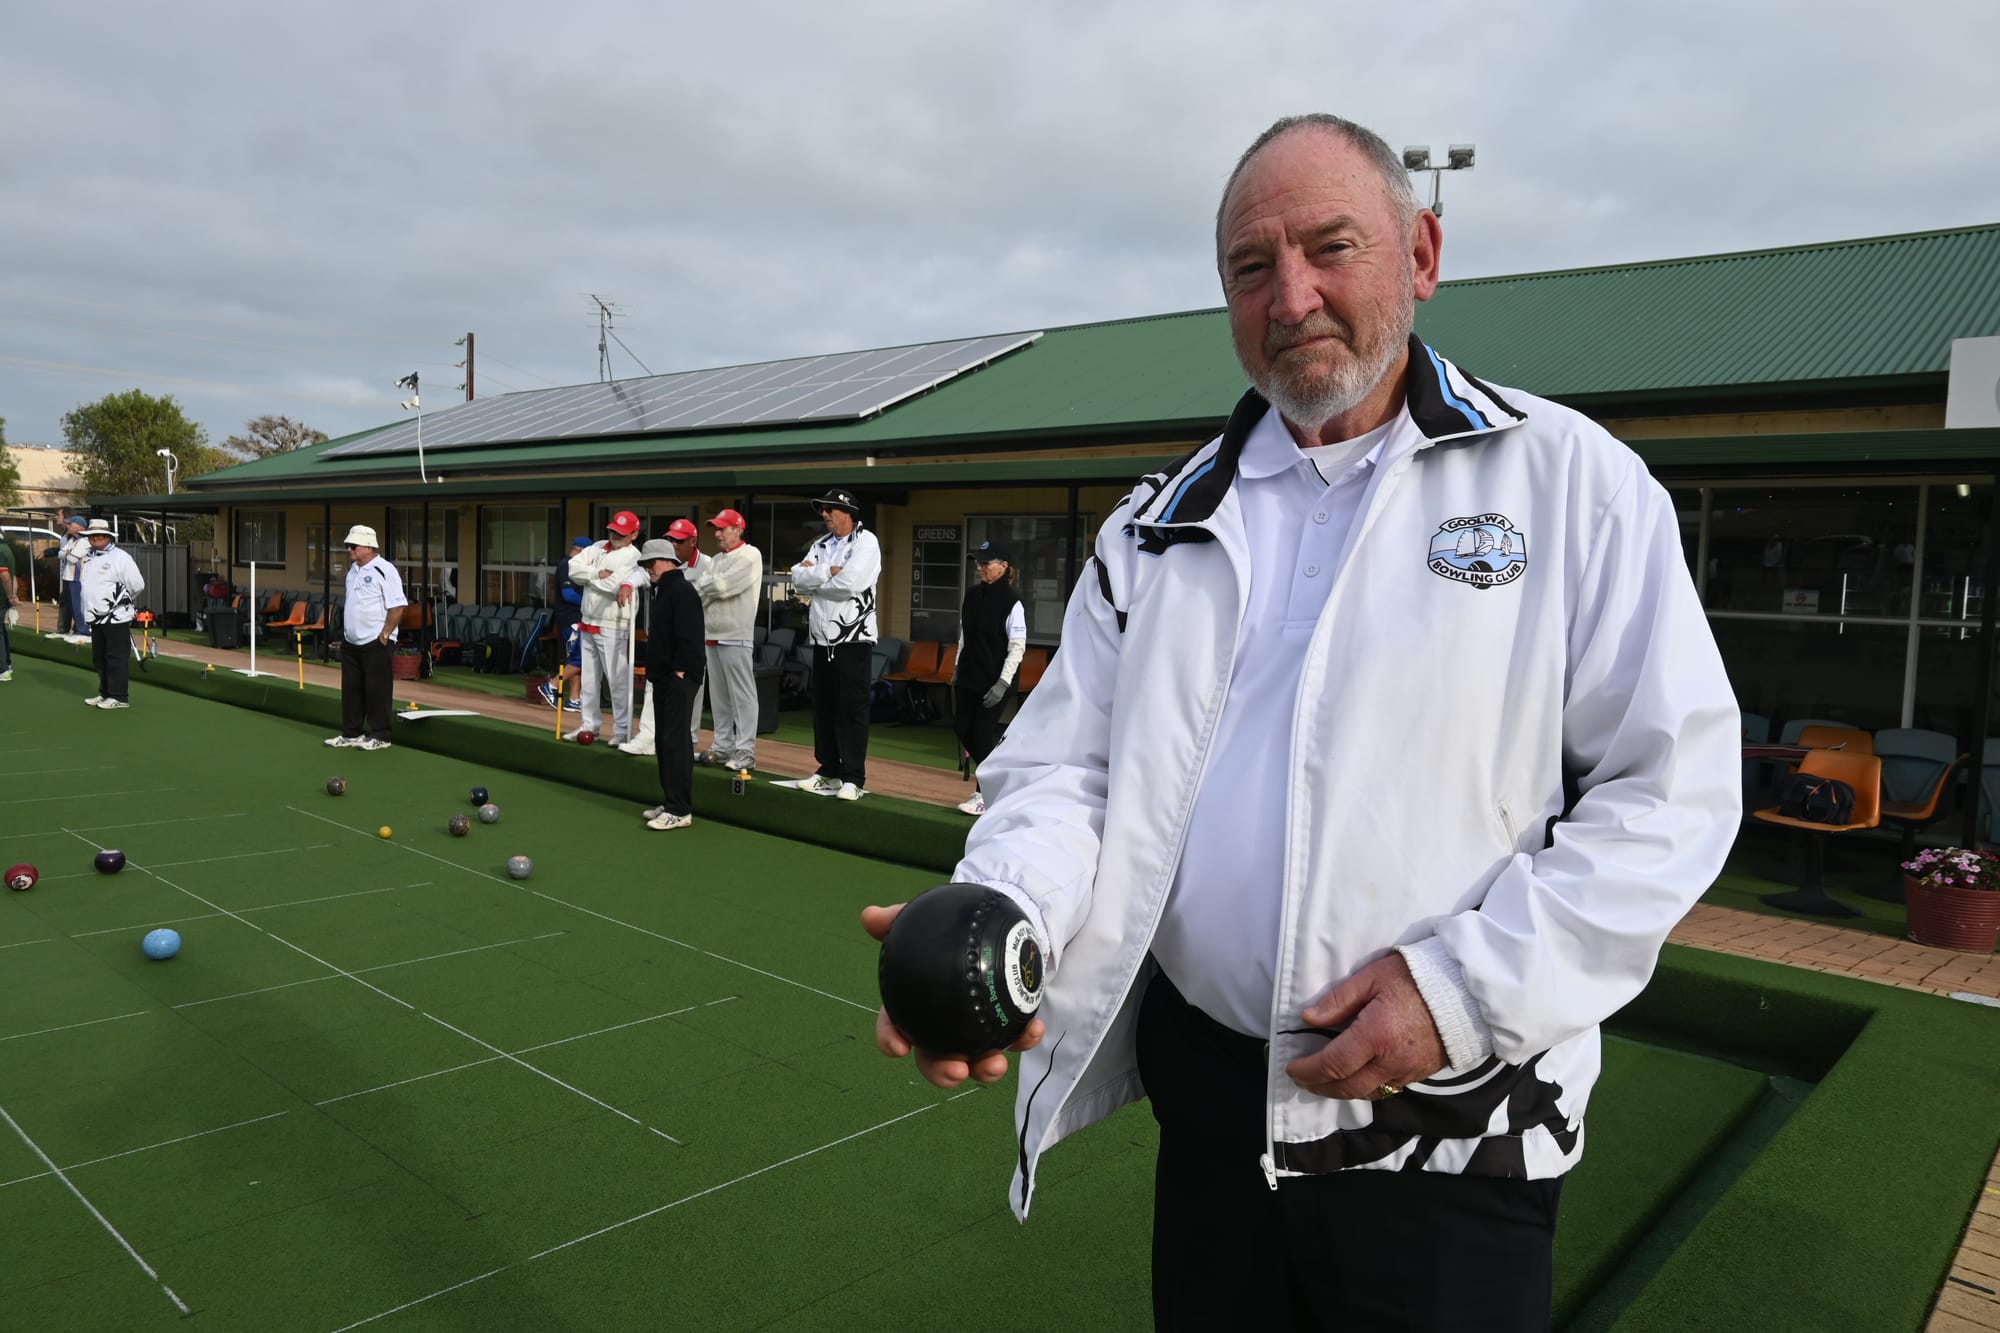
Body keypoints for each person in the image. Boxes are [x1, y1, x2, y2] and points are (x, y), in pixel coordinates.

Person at [863, 114, 1740, 1331]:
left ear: (1421, 254)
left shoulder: (1569, 483)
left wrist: (1457, 994)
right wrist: (1005, 906)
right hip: (1214, 1108)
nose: (1292, 296)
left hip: (1458, 1117)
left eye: (1331, 247)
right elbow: (1068, 771)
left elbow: (1668, 791)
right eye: (1249, 267)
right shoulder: (1154, 527)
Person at [778, 488, 881, 800]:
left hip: (854, 639)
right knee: (823, 707)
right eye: (822, 510)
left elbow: (851, 585)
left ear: (848, 513)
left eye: (829, 510)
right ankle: (828, 770)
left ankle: (853, 777)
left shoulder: (867, 542)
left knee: (852, 708)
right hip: (822, 639)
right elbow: (797, 578)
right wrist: (828, 572)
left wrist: (818, 580)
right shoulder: (821, 545)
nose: (824, 515)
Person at [950, 538, 1027, 816]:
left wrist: (1003, 683)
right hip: (969, 675)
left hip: (995, 680)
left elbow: (1017, 646)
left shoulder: (1012, 601)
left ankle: (986, 792)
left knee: (981, 733)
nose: (980, 568)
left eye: (986, 563)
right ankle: (999, 779)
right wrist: (957, 668)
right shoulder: (972, 595)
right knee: (961, 727)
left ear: (1004, 567)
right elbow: (964, 635)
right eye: (978, 563)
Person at [616, 518, 703, 758]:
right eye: (671, 539)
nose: (673, 544)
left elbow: (711, 589)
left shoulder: (699, 570)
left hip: (693, 648)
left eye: (678, 540)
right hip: (668, 656)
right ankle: (647, 738)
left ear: (692, 542)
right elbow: (640, 576)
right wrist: (626, 583)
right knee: (662, 704)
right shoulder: (661, 576)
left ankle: (695, 745)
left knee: (683, 716)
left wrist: (681, 667)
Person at [635, 539, 704, 831]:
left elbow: (689, 635)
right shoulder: (664, 590)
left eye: (650, 564)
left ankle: (680, 808)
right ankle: (671, 800)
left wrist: (679, 670)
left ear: (665, 561)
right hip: (664, 677)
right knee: (666, 740)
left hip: (678, 678)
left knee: (675, 741)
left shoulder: (682, 590)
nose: (648, 569)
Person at [691, 508, 764, 772]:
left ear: (738, 529)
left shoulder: (750, 554)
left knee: (742, 696)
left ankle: (745, 750)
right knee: (719, 697)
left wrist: (711, 586)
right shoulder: (716, 561)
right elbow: (703, 591)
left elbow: (721, 588)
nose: (718, 533)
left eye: (723, 528)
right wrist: (712, 586)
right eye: (716, 529)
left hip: (736, 634)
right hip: (712, 634)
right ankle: (723, 746)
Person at [325, 524, 407, 750]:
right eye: (347, 546)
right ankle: (351, 734)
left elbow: (398, 606)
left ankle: (381, 736)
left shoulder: (385, 569)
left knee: (377, 689)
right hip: (351, 642)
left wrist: (385, 635)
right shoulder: (353, 570)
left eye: (353, 546)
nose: (349, 550)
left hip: (376, 641)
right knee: (351, 689)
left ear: (369, 547)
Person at [566, 511, 642, 743]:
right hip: (588, 621)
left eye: (620, 533)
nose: (614, 535)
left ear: (634, 534)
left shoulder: (634, 555)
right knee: (589, 681)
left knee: (617, 681)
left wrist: (589, 577)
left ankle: (622, 731)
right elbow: (572, 568)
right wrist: (596, 573)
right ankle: (589, 726)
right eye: (612, 531)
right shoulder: (598, 546)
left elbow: (614, 585)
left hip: (614, 624)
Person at [77, 518, 145, 709]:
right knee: (99, 657)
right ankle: (105, 692)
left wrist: (121, 602)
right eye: (91, 536)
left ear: (108, 537)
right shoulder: (90, 557)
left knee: (116, 657)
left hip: (116, 617)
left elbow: (137, 585)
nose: (95, 539)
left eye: (99, 536)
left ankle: (119, 697)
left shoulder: (120, 558)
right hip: (95, 617)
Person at [538, 536, 590, 716]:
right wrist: (590, 603)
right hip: (570, 618)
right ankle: (551, 685)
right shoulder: (567, 564)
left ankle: (574, 699)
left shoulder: (573, 565)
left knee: (576, 658)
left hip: (574, 618)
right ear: (581, 550)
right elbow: (568, 595)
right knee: (582, 659)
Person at [58, 512, 87, 638]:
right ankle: (78, 630)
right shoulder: (72, 540)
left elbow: (72, 559)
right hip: (68, 578)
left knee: (78, 607)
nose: (68, 525)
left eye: (71, 524)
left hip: (78, 578)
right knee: (71, 606)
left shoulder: (85, 541)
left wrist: (68, 553)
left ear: (79, 527)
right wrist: (68, 553)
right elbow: (60, 554)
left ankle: (83, 631)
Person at [0, 530, 20, 682]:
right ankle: (7, 665)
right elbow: (13, 576)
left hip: (1, 598)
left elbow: (5, 575)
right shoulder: (7, 549)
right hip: (4, 598)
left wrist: (10, 596)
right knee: (2, 631)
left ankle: (3, 669)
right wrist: (13, 596)